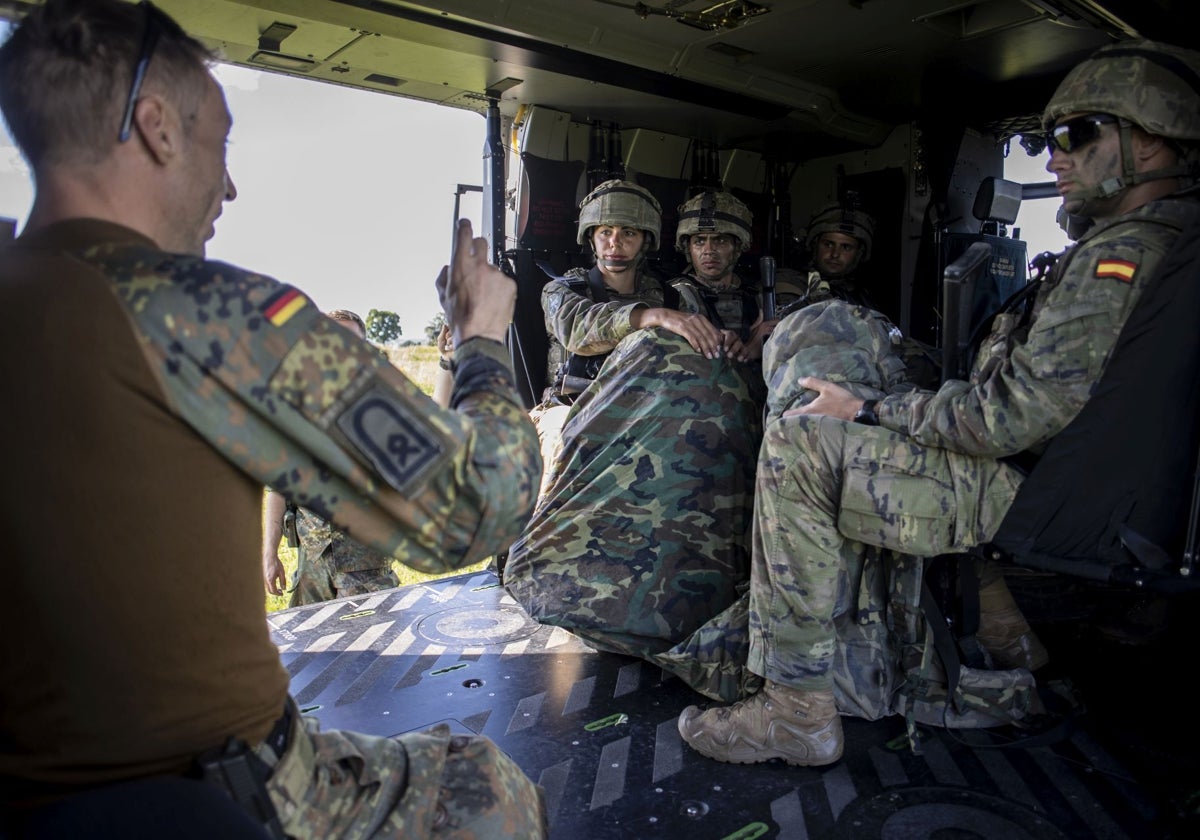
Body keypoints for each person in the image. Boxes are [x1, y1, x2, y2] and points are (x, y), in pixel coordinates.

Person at [0, 2, 546, 838]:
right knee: (487, 787)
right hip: (202, 787)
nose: (229, 184)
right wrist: (480, 340)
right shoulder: (206, 315)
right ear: (155, 128)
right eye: (220, 144)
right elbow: (474, 507)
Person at [676, 38, 1200, 767]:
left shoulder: (1123, 257)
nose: (1054, 158)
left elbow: (1004, 418)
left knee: (797, 441)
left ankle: (795, 708)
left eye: (1076, 136)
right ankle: (1006, 629)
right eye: (1048, 140)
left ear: (1151, 142)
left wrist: (867, 410)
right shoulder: (1171, 240)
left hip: (1037, 501)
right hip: (1084, 495)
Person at [506, 185, 767, 702]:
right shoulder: (565, 289)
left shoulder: (672, 292)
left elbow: (700, 350)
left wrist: (744, 342)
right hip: (572, 409)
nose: (614, 243)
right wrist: (650, 317)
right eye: (604, 232)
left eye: (626, 232)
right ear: (590, 237)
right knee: (562, 447)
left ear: (645, 239)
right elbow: (580, 331)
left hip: (652, 413)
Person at [262, 310, 402, 605]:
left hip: (367, 572)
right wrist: (269, 553)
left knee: (377, 648)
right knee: (313, 651)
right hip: (311, 573)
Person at [672, 189, 773, 363]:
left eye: (720, 240)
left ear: (737, 247)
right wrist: (749, 349)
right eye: (699, 241)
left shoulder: (755, 297)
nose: (709, 250)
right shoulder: (673, 296)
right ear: (688, 248)